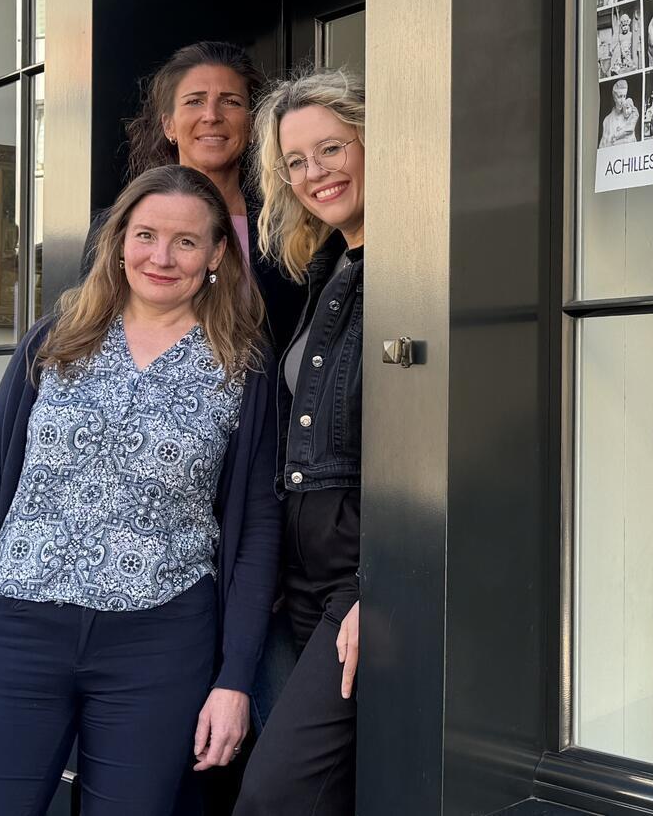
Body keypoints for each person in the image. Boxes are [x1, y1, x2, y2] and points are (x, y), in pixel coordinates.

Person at [0, 165, 281, 816]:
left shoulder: (242, 364)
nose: (161, 257)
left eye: (186, 241)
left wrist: (234, 678)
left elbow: (257, 530)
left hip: (161, 643)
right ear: (119, 240)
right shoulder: (57, 337)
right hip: (15, 629)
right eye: (145, 234)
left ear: (218, 253)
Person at [233, 69, 366, 816]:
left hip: (358, 586)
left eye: (332, 148)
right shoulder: (326, 270)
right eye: (297, 160)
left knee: (275, 795)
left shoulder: (409, 276)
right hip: (298, 587)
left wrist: (381, 591)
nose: (315, 173)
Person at [124, 41, 304, 354]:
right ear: (169, 125)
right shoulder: (121, 225)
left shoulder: (287, 227)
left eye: (230, 102)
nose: (211, 115)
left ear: (250, 125)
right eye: (194, 101)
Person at [599, 78, 640, 148]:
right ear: (614, 98)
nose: (623, 100)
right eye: (620, 97)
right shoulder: (607, 120)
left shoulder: (630, 115)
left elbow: (633, 141)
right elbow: (602, 147)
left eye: (624, 96)